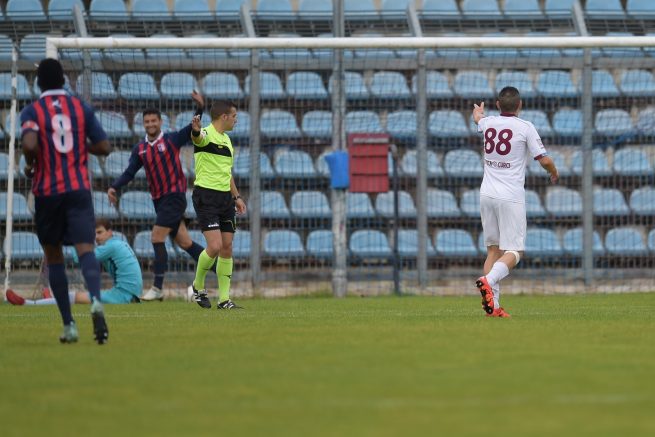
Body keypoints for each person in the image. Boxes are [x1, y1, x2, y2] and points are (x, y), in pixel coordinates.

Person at [19, 58, 111, 344]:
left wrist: (31, 164)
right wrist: (80, 147)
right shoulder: (80, 107)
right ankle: (96, 301)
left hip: (48, 192)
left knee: (54, 255)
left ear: (39, 83)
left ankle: (69, 325)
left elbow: (30, 144)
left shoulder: (32, 110)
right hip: (78, 189)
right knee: (85, 249)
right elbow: (104, 146)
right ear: (63, 80)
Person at [107, 92, 207, 302]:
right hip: (159, 202)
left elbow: (192, 127)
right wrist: (114, 187)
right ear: (143, 124)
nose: (151, 124)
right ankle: (222, 271)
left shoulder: (171, 139)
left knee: (156, 238)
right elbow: (129, 173)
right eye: (147, 121)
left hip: (174, 197)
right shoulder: (140, 149)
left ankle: (158, 288)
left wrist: (200, 108)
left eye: (154, 120)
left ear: (160, 122)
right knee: (185, 243)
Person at [471, 87, 559, 318]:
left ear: (498, 105)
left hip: (486, 194)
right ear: (520, 105)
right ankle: (488, 281)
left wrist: (478, 114)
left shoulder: (488, 122)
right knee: (515, 251)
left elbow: (478, 120)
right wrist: (554, 171)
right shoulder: (525, 127)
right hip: (510, 196)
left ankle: (493, 307)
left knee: (493, 250)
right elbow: (544, 160)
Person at [189, 100, 246, 309]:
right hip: (206, 196)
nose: (236, 120)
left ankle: (224, 300)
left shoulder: (227, 140)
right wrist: (195, 131)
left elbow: (226, 173)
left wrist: (236, 197)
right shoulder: (206, 133)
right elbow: (198, 138)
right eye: (234, 116)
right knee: (215, 246)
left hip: (225, 199)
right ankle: (197, 286)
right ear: (224, 117)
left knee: (227, 247)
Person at [6, 219, 143, 306]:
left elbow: (80, 259)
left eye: (100, 232)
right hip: (130, 294)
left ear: (110, 232)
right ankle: (49, 298)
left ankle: (27, 303)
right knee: (80, 294)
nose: (96, 237)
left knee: (73, 296)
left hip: (123, 296)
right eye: (94, 233)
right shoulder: (117, 244)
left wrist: (72, 240)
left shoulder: (110, 247)